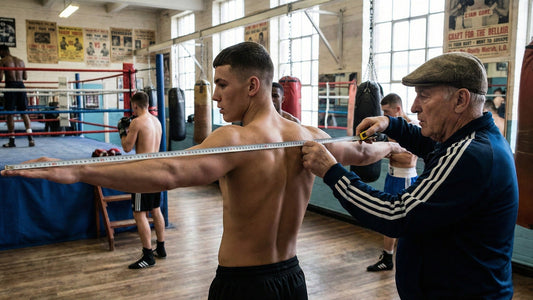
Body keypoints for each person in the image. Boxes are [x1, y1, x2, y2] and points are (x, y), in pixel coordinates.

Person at [1, 42, 403, 299]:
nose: (215, 95)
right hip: (292, 281)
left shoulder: (235, 138)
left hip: (244, 286)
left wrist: (77, 172)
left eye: (222, 84)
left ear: (251, 86)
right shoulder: (309, 136)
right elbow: (361, 153)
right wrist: (392, 141)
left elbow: (170, 171)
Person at [301, 52, 518, 298]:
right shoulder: (468, 140)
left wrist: (332, 172)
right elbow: (429, 146)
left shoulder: (470, 154)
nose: (414, 106)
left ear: (460, 100)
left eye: (424, 95)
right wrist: (390, 123)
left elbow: (396, 214)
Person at [366, 93, 418, 272]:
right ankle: (387, 257)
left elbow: (409, 159)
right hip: (392, 177)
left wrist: (387, 152)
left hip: (405, 179)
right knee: (387, 217)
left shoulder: (412, 127)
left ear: (398, 109)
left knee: (401, 220)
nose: (386, 116)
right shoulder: (392, 128)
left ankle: (404, 258)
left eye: (388, 111)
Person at [117, 91, 166, 269]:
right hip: (157, 170)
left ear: (135, 106)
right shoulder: (157, 121)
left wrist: (123, 130)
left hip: (142, 173)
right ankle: (160, 248)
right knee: (155, 209)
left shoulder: (137, 122)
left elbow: (127, 147)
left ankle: (147, 255)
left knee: (139, 213)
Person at [0, 45, 35, 147]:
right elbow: (25, 77)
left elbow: (0, 78)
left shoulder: (3, 61)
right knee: (24, 112)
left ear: (2, 51)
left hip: (11, 86)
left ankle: (12, 141)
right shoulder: (21, 61)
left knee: (10, 113)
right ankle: (30, 139)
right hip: (21, 86)